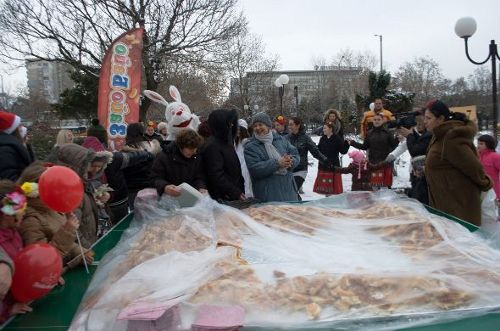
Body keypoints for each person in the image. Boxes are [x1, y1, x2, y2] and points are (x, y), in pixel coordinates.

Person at [424, 99, 492, 226]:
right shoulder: (439, 135)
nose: (425, 122)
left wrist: (485, 184)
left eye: (428, 118)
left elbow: (474, 167)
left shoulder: (451, 138)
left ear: (440, 119)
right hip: (445, 206)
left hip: (458, 210)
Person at [16, 162, 93, 267]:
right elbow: (41, 260)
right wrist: (67, 230)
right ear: (36, 191)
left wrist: (80, 253)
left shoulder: (50, 209)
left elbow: (65, 243)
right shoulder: (30, 221)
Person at [82, 136, 153, 224]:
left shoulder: (114, 159)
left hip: (119, 202)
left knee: (121, 226)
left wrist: (147, 154)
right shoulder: (82, 174)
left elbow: (133, 157)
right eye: (93, 166)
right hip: (97, 210)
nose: (96, 169)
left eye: (99, 166)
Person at [244, 112, 300, 202]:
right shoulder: (250, 146)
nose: (257, 128)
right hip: (268, 194)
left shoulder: (281, 139)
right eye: (255, 126)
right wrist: (277, 163)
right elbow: (255, 169)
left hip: (288, 190)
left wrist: (290, 161)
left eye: (260, 124)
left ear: (268, 126)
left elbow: (295, 154)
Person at [0, 180, 33, 321]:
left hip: (19, 302)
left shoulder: (14, 233)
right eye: (21, 208)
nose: (24, 212)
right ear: (7, 214)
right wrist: (6, 312)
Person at [201, 109, 245, 202]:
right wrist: (235, 192)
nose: (232, 126)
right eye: (230, 123)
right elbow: (216, 175)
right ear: (221, 125)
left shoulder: (225, 143)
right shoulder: (212, 146)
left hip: (232, 196)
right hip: (223, 198)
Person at [150, 129, 207, 197]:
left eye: (195, 148)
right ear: (180, 146)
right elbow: (154, 178)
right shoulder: (164, 157)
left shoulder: (197, 156)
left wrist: (201, 187)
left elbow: (199, 176)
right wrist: (165, 187)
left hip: (191, 197)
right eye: (190, 148)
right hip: (169, 198)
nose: (194, 151)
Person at [349, 113, 398, 189]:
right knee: (373, 188)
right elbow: (365, 146)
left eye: (379, 119)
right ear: (372, 121)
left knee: (386, 190)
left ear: (382, 121)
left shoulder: (388, 133)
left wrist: (397, 139)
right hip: (373, 164)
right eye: (375, 119)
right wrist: (353, 143)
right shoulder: (369, 133)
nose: (376, 121)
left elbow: (394, 146)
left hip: (385, 163)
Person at [122, 123, 160, 210]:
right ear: (142, 132)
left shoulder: (125, 150)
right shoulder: (152, 146)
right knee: (152, 216)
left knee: (134, 216)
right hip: (151, 187)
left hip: (132, 189)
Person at [287, 116, 328, 194]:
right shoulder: (286, 138)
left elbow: (315, 151)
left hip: (300, 169)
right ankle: (297, 204)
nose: (289, 127)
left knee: (292, 190)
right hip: (288, 170)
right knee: (290, 193)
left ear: (298, 125)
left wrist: (325, 160)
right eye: (289, 125)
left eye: (291, 124)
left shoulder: (305, 138)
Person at [313, 121, 349, 195]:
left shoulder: (337, 138)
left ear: (331, 129)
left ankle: (333, 204)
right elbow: (319, 150)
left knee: (334, 191)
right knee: (325, 190)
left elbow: (343, 151)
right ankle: (327, 203)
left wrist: (347, 144)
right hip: (323, 165)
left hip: (333, 166)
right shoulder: (322, 138)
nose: (323, 130)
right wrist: (314, 146)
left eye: (325, 128)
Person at [0, 111, 34, 181]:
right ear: (13, 130)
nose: (22, 128)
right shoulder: (5, 150)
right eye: (19, 125)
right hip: (17, 190)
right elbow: (10, 178)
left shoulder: (12, 146)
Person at [477, 134, 500, 202]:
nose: (478, 145)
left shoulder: (495, 157)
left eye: (481, 144)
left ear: (489, 144)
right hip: (479, 190)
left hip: (493, 192)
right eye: (478, 143)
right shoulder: (476, 156)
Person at [235, 119, 253, 198]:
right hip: (238, 168)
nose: (238, 131)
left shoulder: (247, 142)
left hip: (246, 168)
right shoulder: (235, 142)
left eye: (239, 129)